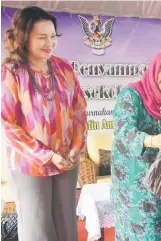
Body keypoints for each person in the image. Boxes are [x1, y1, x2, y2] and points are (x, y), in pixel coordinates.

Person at [1, 6, 87, 241]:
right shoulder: (11, 72)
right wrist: (47, 156)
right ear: (23, 37)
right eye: (42, 37)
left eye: (52, 37)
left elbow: (79, 108)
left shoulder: (63, 67)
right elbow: (7, 125)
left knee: (67, 227)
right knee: (38, 230)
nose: (49, 43)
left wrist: (76, 147)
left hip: (67, 160)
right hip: (31, 165)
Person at [110, 51, 161, 241]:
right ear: (153, 70)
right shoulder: (131, 96)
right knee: (136, 233)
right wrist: (153, 140)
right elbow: (123, 132)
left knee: (159, 232)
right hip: (132, 184)